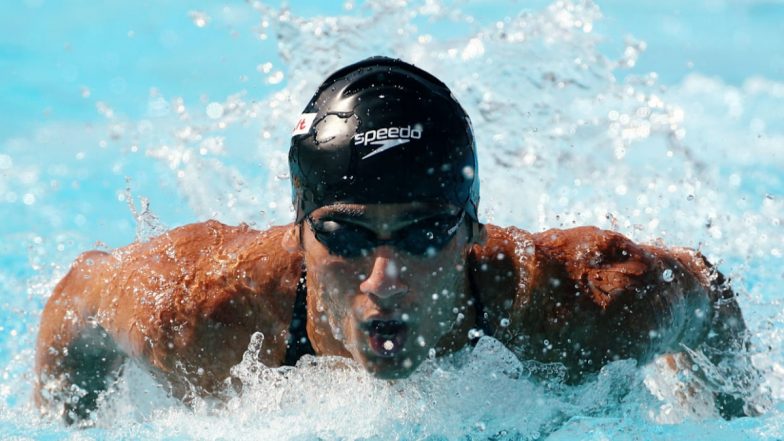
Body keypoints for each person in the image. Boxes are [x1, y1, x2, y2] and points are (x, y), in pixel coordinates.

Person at [34, 56, 756, 424]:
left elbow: (705, 292)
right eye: (346, 235)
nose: (385, 276)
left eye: (424, 232)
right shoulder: (200, 314)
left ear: (470, 227)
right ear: (301, 227)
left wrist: (726, 419)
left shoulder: (579, 308)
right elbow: (75, 298)